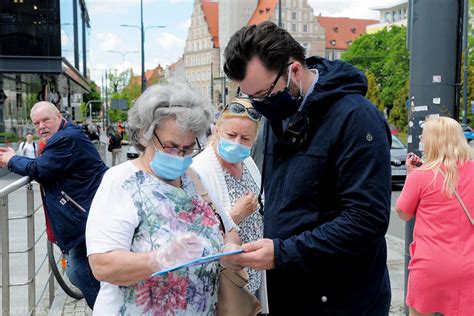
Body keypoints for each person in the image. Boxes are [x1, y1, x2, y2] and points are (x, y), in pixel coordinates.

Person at [221, 21, 392, 315]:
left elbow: (367, 220)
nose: (260, 105)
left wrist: (282, 253)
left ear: (294, 71)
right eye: (252, 97)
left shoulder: (357, 118)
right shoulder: (282, 115)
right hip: (290, 294)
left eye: (263, 94)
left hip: (342, 301)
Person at [86, 82, 239, 315]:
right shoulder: (121, 182)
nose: (180, 156)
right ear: (144, 135)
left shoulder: (192, 177)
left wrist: (229, 250)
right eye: (171, 147)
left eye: (188, 148)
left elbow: (229, 228)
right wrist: (159, 258)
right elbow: (102, 266)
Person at [0, 101, 108, 309]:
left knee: (79, 271)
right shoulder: (67, 134)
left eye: (46, 120)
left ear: (59, 116)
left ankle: (108, 310)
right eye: (36, 123)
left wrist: (12, 159)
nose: (41, 126)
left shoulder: (66, 139)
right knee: (81, 272)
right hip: (87, 214)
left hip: (85, 217)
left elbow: (39, 169)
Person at [396, 116, 474, 316]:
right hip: (469, 266)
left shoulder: (421, 176)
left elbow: (403, 213)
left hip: (430, 267)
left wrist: (411, 175)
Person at [191, 98, 264, 296]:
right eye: (231, 135)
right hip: (223, 283)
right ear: (217, 130)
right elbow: (196, 234)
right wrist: (235, 215)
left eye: (246, 138)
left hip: (252, 278)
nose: (237, 143)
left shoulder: (247, 162)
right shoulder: (198, 171)